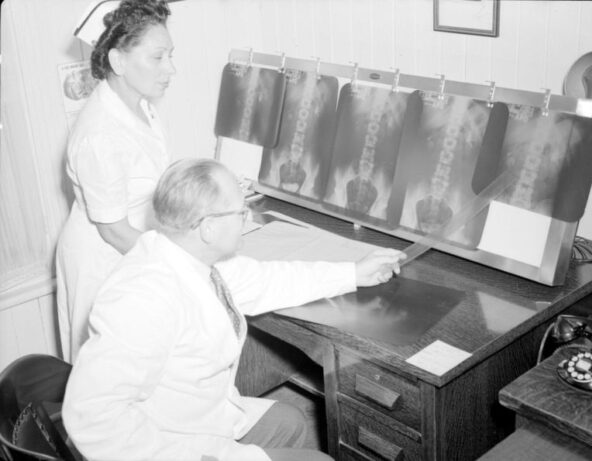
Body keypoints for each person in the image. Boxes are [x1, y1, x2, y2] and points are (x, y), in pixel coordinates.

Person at [62, 158, 405, 461]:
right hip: (172, 444)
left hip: (197, 418)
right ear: (208, 227)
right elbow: (90, 416)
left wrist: (354, 273)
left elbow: (269, 279)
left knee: (292, 423)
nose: (246, 218)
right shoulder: (142, 298)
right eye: (240, 212)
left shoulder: (187, 253)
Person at [56, 0, 176, 362]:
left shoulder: (139, 105)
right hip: (104, 261)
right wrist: (178, 260)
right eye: (158, 58)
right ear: (118, 61)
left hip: (134, 250)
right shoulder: (100, 134)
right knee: (107, 371)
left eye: (170, 55)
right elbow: (114, 231)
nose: (171, 68)